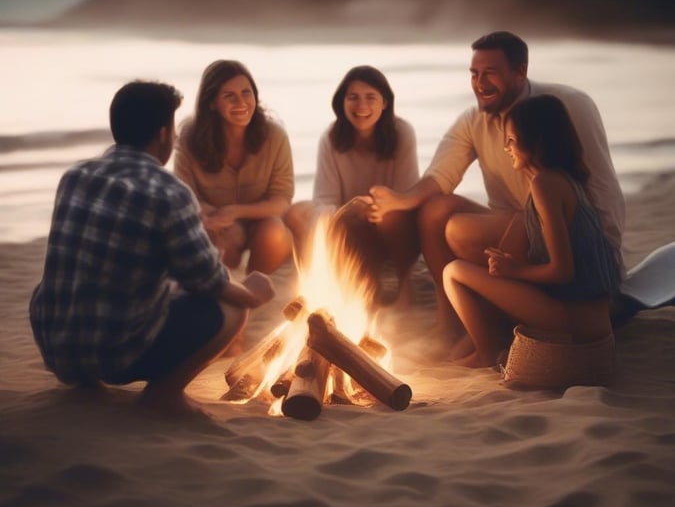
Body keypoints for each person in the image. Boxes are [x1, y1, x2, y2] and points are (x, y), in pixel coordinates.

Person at [29, 81, 275, 412]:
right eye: (172, 131)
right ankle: (165, 394)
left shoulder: (75, 176)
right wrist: (253, 294)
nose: (174, 139)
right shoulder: (169, 192)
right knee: (232, 309)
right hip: (118, 357)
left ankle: (86, 380)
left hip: (60, 352)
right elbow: (210, 282)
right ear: (162, 134)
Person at [368, 31, 624, 338]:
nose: (480, 83)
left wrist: (605, 255)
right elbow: (441, 175)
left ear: (520, 72)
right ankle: (451, 319)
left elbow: (602, 189)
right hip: (520, 225)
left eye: (490, 73)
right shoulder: (473, 119)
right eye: (474, 74)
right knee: (435, 209)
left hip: (563, 238)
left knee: (457, 230)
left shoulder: (564, 106)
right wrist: (400, 201)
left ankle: (499, 315)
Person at [442, 95, 621, 367]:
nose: (506, 147)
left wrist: (514, 271)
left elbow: (563, 271)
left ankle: (486, 352)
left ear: (535, 142)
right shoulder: (566, 179)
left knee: (453, 272)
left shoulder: (545, 185)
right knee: (513, 238)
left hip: (575, 319)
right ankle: (486, 341)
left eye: (512, 140)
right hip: (592, 314)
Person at [285, 65, 420, 306]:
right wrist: (349, 211)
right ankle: (339, 277)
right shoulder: (331, 137)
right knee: (297, 213)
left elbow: (407, 193)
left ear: (385, 102)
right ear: (342, 102)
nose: (362, 106)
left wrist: (379, 206)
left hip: (391, 222)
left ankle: (404, 282)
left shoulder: (402, 133)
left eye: (371, 98)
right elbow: (324, 199)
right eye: (353, 98)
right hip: (350, 222)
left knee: (392, 216)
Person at [174, 60, 294, 275]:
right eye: (229, 96)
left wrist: (237, 212)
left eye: (247, 93)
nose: (241, 102)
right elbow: (184, 196)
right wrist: (214, 216)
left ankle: (254, 286)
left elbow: (282, 201)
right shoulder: (190, 139)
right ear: (212, 103)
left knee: (274, 232)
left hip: (262, 222)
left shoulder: (274, 136)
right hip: (217, 223)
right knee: (215, 241)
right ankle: (226, 286)